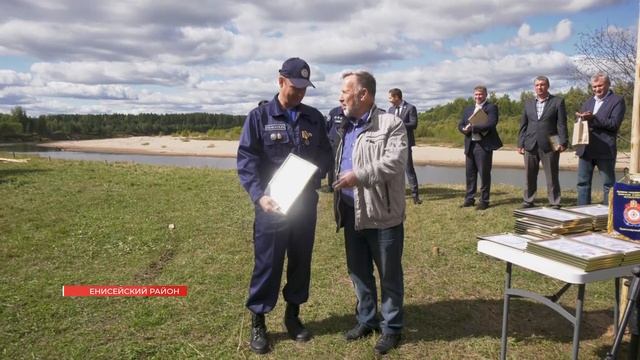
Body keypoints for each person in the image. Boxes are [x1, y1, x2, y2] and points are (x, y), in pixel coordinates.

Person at [237, 57, 332, 354]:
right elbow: (246, 160)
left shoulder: (315, 118)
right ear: (280, 81)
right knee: (268, 263)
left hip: (304, 204)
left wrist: (314, 174)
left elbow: (326, 155)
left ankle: (293, 316)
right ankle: (259, 321)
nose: (300, 93)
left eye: (305, 88)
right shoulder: (260, 117)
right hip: (272, 205)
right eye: (295, 87)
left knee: (301, 261)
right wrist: (258, 195)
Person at [333, 70, 407, 355]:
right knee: (359, 271)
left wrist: (358, 176)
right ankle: (366, 319)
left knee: (389, 274)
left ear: (363, 94)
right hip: (351, 212)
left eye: (346, 91)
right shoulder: (344, 125)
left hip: (383, 214)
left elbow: (395, 163)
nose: (341, 96)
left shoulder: (391, 123)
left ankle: (391, 328)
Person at [575, 72, 626, 205]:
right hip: (585, 149)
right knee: (582, 183)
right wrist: (580, 118)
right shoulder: (588, 102)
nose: (597, 89)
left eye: (600, 86)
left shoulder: (617, 101)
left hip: (605, 149)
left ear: (608, 84)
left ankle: (608, 215)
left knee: (608, 184)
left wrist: (593, 118)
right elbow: (583, 122)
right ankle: (582, 213)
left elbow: (614, 124)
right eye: (594, 87)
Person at [517, 75, 568, 209]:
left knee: (552, 174)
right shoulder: (528, 103)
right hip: (530, 143)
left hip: (552, 143)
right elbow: (523, 125)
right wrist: (520, 144)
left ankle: (554, 202)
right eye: (537, 85)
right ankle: (528, 200)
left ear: (547, 86)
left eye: (542, 84)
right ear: (535, 87)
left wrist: (562, 142)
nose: (539, 87)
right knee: (529, 175)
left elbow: (561, 124)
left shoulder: (558, 101)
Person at [457, 85, 503, 210]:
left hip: (484, 145)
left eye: (480, 94)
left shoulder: (491, 108)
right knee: (470, 174)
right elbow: (461, 123)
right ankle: (469, 199)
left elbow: (491, 123)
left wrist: (473, 128)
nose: (478, 96)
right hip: (470, 145)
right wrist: (463, 129)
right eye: (476, 94)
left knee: (484, 174)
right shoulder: (468, 108)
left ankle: (484, 200)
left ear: (485, 95)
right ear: (473, 95)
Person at [388, 88, 422, 204]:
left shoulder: (411, 108)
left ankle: (415, 196)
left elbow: (414, 124)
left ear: (397, 97)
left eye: (390, 97)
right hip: (393, 144)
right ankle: (396, 194)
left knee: (409, 169)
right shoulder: (390, 109)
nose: (389, 100)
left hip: (405, 142)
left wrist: (399, 124)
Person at [324, 106, 345, 192]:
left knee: (341, 164)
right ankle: (330, 185)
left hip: (344, 143)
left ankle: (340, 184)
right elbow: (328, 126)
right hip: (333, 143)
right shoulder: (334, 111)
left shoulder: (352, 111)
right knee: (332, 164)